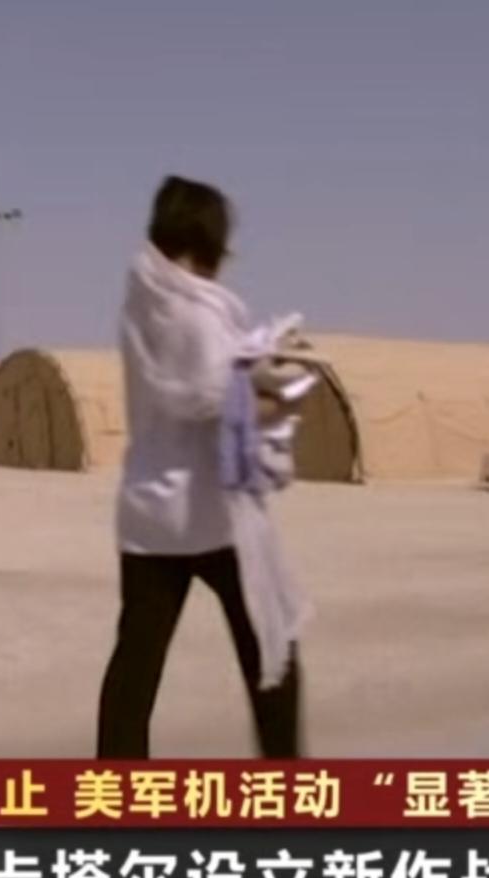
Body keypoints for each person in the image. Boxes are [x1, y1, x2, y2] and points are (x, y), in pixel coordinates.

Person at [97, 175, 308, 760]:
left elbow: (194, 390)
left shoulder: (140, 306)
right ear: (208, 242)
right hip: (212, 516)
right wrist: (282, 383)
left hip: (148, 516)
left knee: (136, 666)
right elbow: (218, 395)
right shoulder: (197, 315)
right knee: (272, 648)